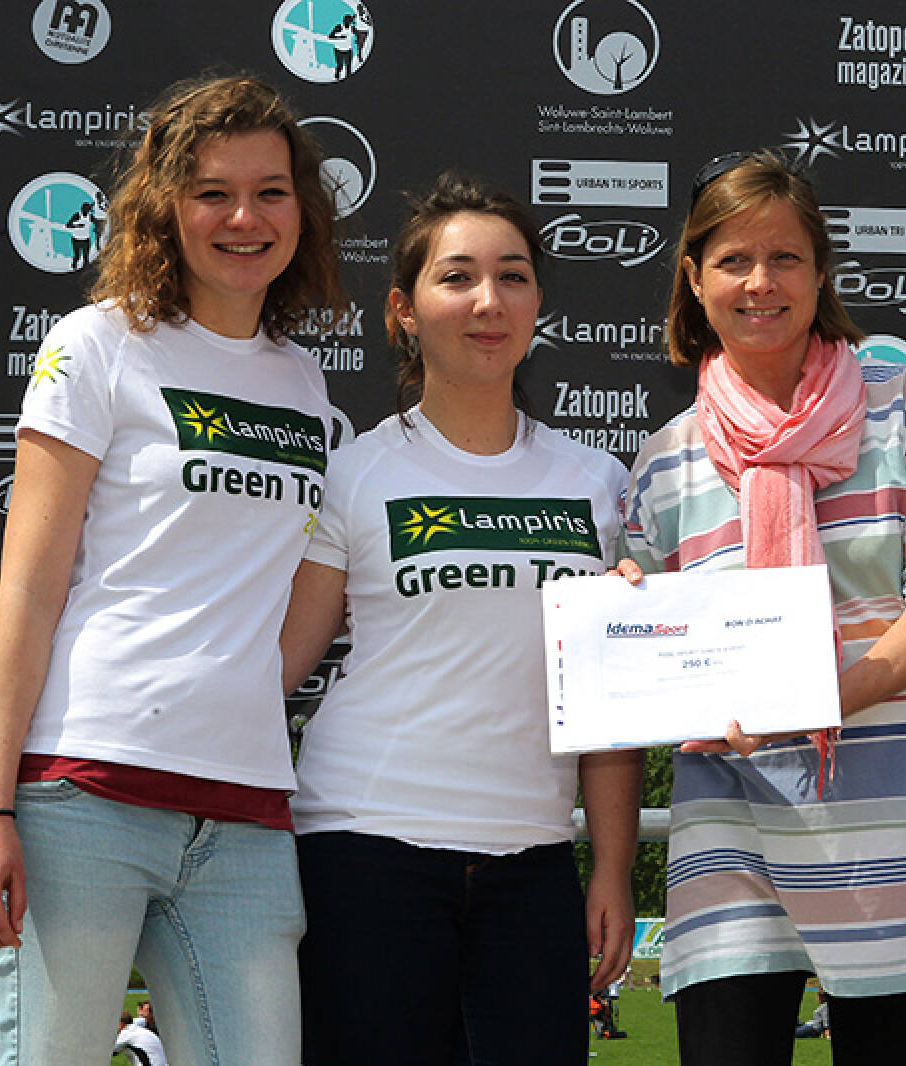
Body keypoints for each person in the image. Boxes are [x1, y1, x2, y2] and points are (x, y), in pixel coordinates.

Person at [0, 75, 345, 1066]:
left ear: (303, 208)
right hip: (84, 795)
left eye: (271, 191)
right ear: (166, 207)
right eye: (213, 192)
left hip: (247, 812)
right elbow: (25, 594)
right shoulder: (98, 345)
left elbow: (286, 598)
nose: (245, 217)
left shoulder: (303, 380)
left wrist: (240, 691)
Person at [623, 149, 906, 1066]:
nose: (761, 282)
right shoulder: (665, 460)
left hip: (892, 833)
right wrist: (630, 616)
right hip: (730, 833)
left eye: (785, 257)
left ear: (822, 271)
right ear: (695, 279)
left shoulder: (902, 404)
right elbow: (639, 661)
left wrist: (821, 695)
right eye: (734, 261)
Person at [279, 172, 641, 1066]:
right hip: (363, 848)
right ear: (403, 310)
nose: (489, 301)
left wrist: (612, 866)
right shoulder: (355, 472)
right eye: (458, 277)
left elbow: (610, 708)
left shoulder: (597, 482)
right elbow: (279, 664)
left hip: (533, 863)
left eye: (513, 276)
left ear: (538, 304)